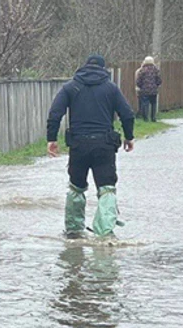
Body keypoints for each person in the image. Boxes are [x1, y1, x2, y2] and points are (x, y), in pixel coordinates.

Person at [47, 54, 135, 239]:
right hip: (104, 146)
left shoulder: (71, 87)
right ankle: (104, 234)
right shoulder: (111, 89)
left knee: (76, 187)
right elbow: (127, 114)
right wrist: (129, 137)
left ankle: (73, 230)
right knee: (107, 188)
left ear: (84, 67)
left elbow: (55, 113)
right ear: (104, 70)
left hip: (78, 146)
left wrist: (52, 139)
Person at [136, 56, 162, 122]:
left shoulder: (142, 70)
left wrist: (140, 86)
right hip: (153, 90)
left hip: (144, 90)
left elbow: (138, 80)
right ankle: (153, 118)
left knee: (145, 104)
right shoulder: (156, 69)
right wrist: (157, 85)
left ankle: (146, 118)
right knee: (153, 104)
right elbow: (159, 79)